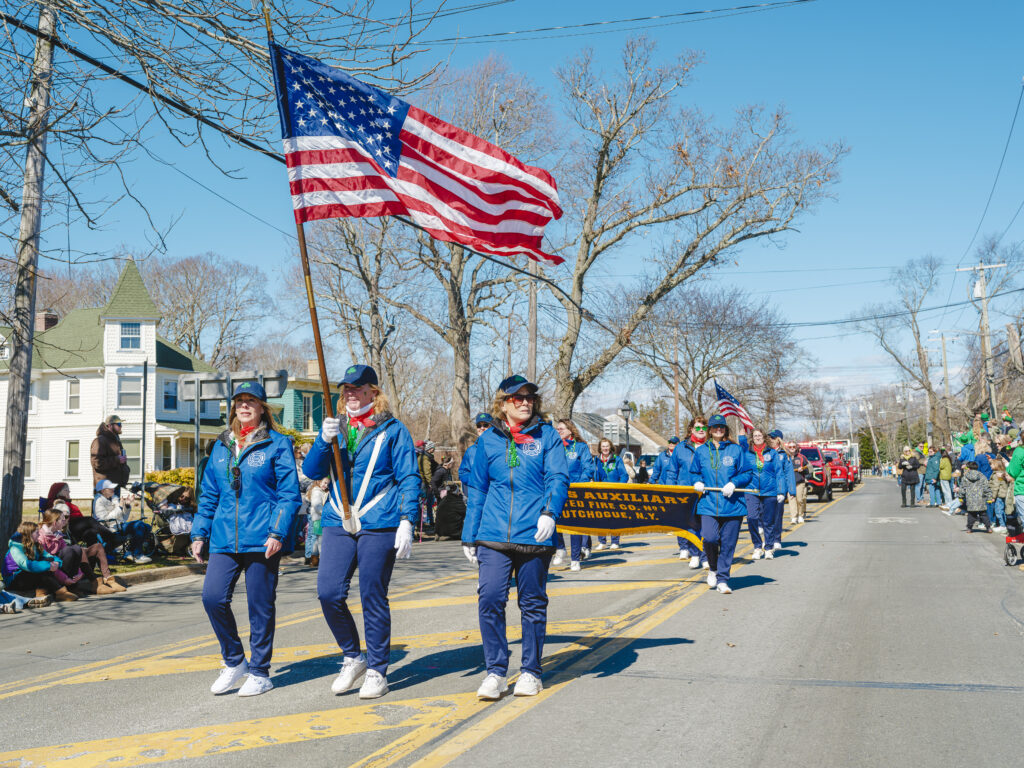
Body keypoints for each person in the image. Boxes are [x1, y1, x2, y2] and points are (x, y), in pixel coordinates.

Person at [304, 364, 419, 700]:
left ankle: (377, 670)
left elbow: (409, 477)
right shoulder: (335, 427)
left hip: (379, 520)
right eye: (346, 390)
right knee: (328, 593)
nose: (351, 395)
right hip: (338, 519)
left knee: (372, 595)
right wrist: (324, 441)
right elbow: (311, 471)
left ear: (373, 392)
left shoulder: (393, 430)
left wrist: (407, 520)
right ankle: (353, 655)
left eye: (357, 389)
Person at [191, 381, 302, 698]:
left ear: (262, 407)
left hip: (262, 539)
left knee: (260, 607)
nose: (244, 405)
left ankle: (260, 672)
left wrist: (277, 531)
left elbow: (288, 496)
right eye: (239, 400)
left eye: (250, 400)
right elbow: (209, 493)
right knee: (213, 598)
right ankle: (234, 659)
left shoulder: (277, 444)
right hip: (224, 537)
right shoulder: (222, 445)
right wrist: (200, 532)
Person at [462, 374, 569, 700]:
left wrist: (550, 513)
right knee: (490, 599)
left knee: (532, 604)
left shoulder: (548, 437)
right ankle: (495, 671)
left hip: (535, 536)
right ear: (503, 403)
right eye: (516, 398)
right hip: (493, 536)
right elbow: (478, 488)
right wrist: (470, 535)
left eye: (529, 397)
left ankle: (530, 672)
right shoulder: (488, 441)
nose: (524, 403)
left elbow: (558, 477)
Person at [689, 415, 752, 594]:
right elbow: (694, 472)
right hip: (708, 503)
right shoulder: (701, 451)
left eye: (722, 427)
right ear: (710, 430)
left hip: (733, 505)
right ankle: (713, 569)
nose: (718, 430)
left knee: (728, 544)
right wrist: (697, 482)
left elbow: (747, 473)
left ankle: (723, 579)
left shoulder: (736, 450)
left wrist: (734, 483)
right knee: (709, 538)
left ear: (726, 430)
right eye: (715, 427)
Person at [36, 507, 118, 596]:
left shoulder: (57, 534)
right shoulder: (41, 537)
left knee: (77, 548)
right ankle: (71, 586)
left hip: (59, 567)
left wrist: (79, 573)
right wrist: (64, 578)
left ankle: (106, 580)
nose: (65, 520)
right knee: (71, 550)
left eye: (66, 518)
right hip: (51, 570)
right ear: (55, 522)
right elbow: (47, 562)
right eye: (63, 519)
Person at [663, 416, 709, 569]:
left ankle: (705, 556)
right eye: (697, 428)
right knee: (691, 526)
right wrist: (671, 491)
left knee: (706, 527)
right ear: (691, 429)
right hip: (686, 493)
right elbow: (672, 471)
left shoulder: (711, 446)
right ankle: (695, 554)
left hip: (707, 493)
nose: (701, 430)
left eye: (703, 428)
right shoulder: (680, 448)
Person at [553, 418, 597, 571]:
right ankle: (560, 548)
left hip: (574, 490)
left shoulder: (580, 447)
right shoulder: (554, 447)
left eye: (561, 429)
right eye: (557, 429)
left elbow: (588, 468)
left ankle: (575, 558)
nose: (558, 431)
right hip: (557, 489)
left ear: (570, 430)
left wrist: (580, 484)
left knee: (573, 526)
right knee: (553, 520)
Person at [740, 427, 785, 561]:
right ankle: (757, 546)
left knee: (768, 521)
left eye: (760, 435)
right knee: (752, 518)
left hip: (769, 491)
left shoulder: (772, 453)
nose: (757, 437)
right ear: (752, 438)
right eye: (755, 436)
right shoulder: (747, 453)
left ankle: (769, 548)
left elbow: (779, 472)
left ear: (764, 437)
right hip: (751, 490)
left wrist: (781, 491)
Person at [1, 522, 75, 603]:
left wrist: (57, 562)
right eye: (36, 532)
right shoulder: (15, 548)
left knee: (47, 562)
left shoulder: (35, 545)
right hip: (14, 580)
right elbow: (28, 565)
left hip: (28, 575)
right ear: (29, 534)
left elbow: (49, 556)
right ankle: (61, 593)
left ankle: (42, 592)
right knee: (43, 568)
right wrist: (48, 566)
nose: (39, 535)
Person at [94, 480, 152, 564]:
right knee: (139, 525)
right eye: (110, 488)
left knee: (147, 526)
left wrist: (127, 505)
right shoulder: (98, 501)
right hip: (110, 528)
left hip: (120, 525)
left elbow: (123, 517)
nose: (113, 489)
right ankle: (136, 554)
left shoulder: (114, 498)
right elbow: (104, 519)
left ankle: (130, 552)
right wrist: (120, 507)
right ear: (103, 491)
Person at [459, 413, 494, 525]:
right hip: (477, 496)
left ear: (492, 427)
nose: (482, 428)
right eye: (479, 425)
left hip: (496, 496)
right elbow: (463, 472)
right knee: (475, 525)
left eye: (485, 425)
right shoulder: (471, 451)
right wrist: (475, 481)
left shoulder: (501, 447)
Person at [593, 438, 627, 550]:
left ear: (610, 447)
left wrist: (619, 487)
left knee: (614, 518)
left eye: (607, 446)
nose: (605, 448)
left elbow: (624, 475)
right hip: (601, 493)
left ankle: (615, 541)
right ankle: (602, 542)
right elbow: (594, 474)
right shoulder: (596, 460)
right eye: (603, 446)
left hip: (614, 493)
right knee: (600, 518)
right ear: (600, 448)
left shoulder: (617, 460)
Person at [91, 415, 129, 490]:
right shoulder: (100, 441)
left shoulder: (116, 441)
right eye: (118, 424)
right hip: (104, 489)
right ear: (110, 426)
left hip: (115, 486)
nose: (121, 426)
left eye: (121, 424)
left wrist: (125, 469)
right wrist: (117, 460)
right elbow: (96, 463)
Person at [958, 461, 992, 533]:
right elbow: (986, 487)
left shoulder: (965, 477)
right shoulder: (982, 476)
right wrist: (989, 498)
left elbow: (962, 488)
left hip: (970, 499)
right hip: (981, 498)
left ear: (969, 468)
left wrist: (960, 497)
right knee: (983, 514)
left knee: (971, 515)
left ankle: (969, 528)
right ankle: (988, 527)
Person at [305, 477, 329, 568]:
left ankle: (314, 559)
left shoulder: (319, 491)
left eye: (327, 483)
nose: (325, 485)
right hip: (319, 518)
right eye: (324, 483)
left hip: (317, 518)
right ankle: (323, 560)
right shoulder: (317, 491)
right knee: (320, 540)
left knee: (317, 539)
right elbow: (316, 505)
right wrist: (325, 513)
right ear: (319, 481)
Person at [783, 440, 809, 524]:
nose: (792, 448)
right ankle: (793, 517)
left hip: (800, 482)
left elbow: (809, 469)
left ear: (796, 447)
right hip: (789, 483)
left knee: (799, 500)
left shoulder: (802, 457)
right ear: (787, 448)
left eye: (793, 446)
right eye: (790, 447)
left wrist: (803, 470)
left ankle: (800, 515)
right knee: (791, 499)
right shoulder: (785, 457)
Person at [417, 441, 439, 528]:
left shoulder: (426, 457)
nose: (434, 449)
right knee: (422, 502)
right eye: (433, 447)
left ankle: (429, 520)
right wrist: (430, 483)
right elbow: (427, 472)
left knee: (429, 501)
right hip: (424, 482)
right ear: (430, 449)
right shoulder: (425, 458)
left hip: (424, 482)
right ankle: (420, 522)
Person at [989, 458, 1011, 533]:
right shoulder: (1003, 473)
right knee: (1003, 510)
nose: (990, 466)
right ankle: (1004, 525)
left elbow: (996, 486)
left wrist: (993, 497)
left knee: (998, 510)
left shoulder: (996, 475)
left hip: (999, 495)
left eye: (991, 464)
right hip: (1004, 494)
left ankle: (1002, 525)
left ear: (996, 465)